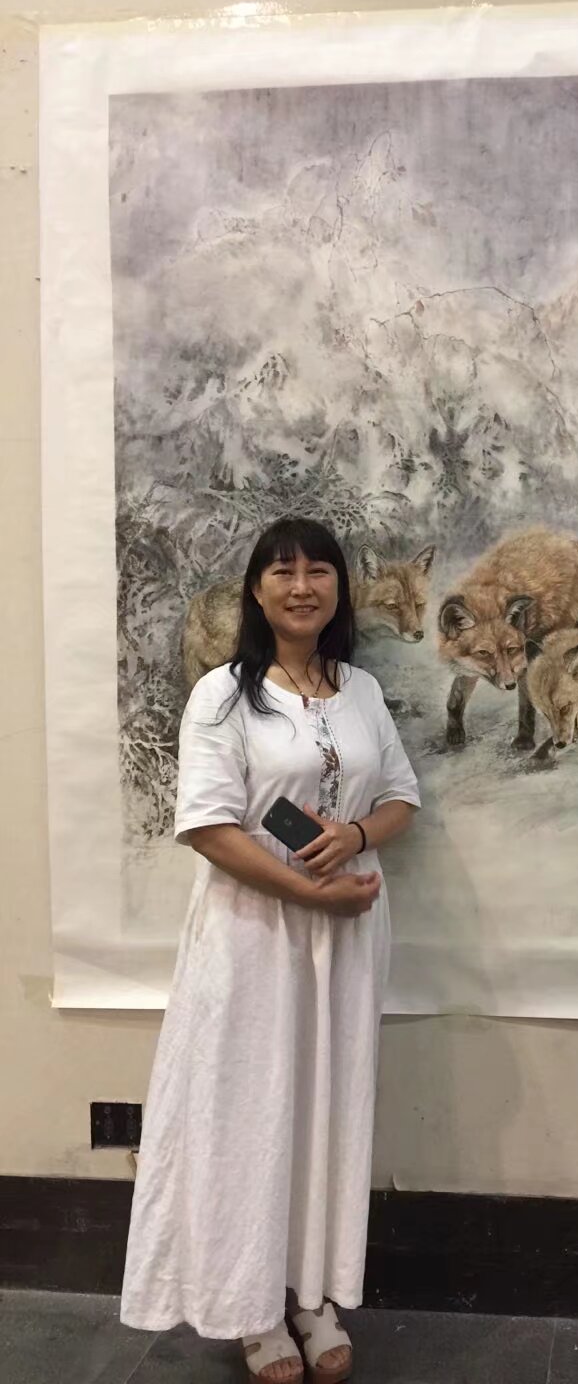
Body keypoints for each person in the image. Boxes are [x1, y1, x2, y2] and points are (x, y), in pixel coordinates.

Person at [121, 517, 421, 1384]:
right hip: (252, 933)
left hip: (346, 938)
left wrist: (356, 835)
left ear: (340, 589)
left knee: (326, 1104)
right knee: (250, 1109)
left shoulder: (361, 690)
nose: (302, 587)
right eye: (282, 571)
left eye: (319, 571)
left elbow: (401, 797)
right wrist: (309, 892)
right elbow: (206, 825)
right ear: (256, 590)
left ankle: (311, 1295)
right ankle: (251, 1309)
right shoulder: (222, 695)